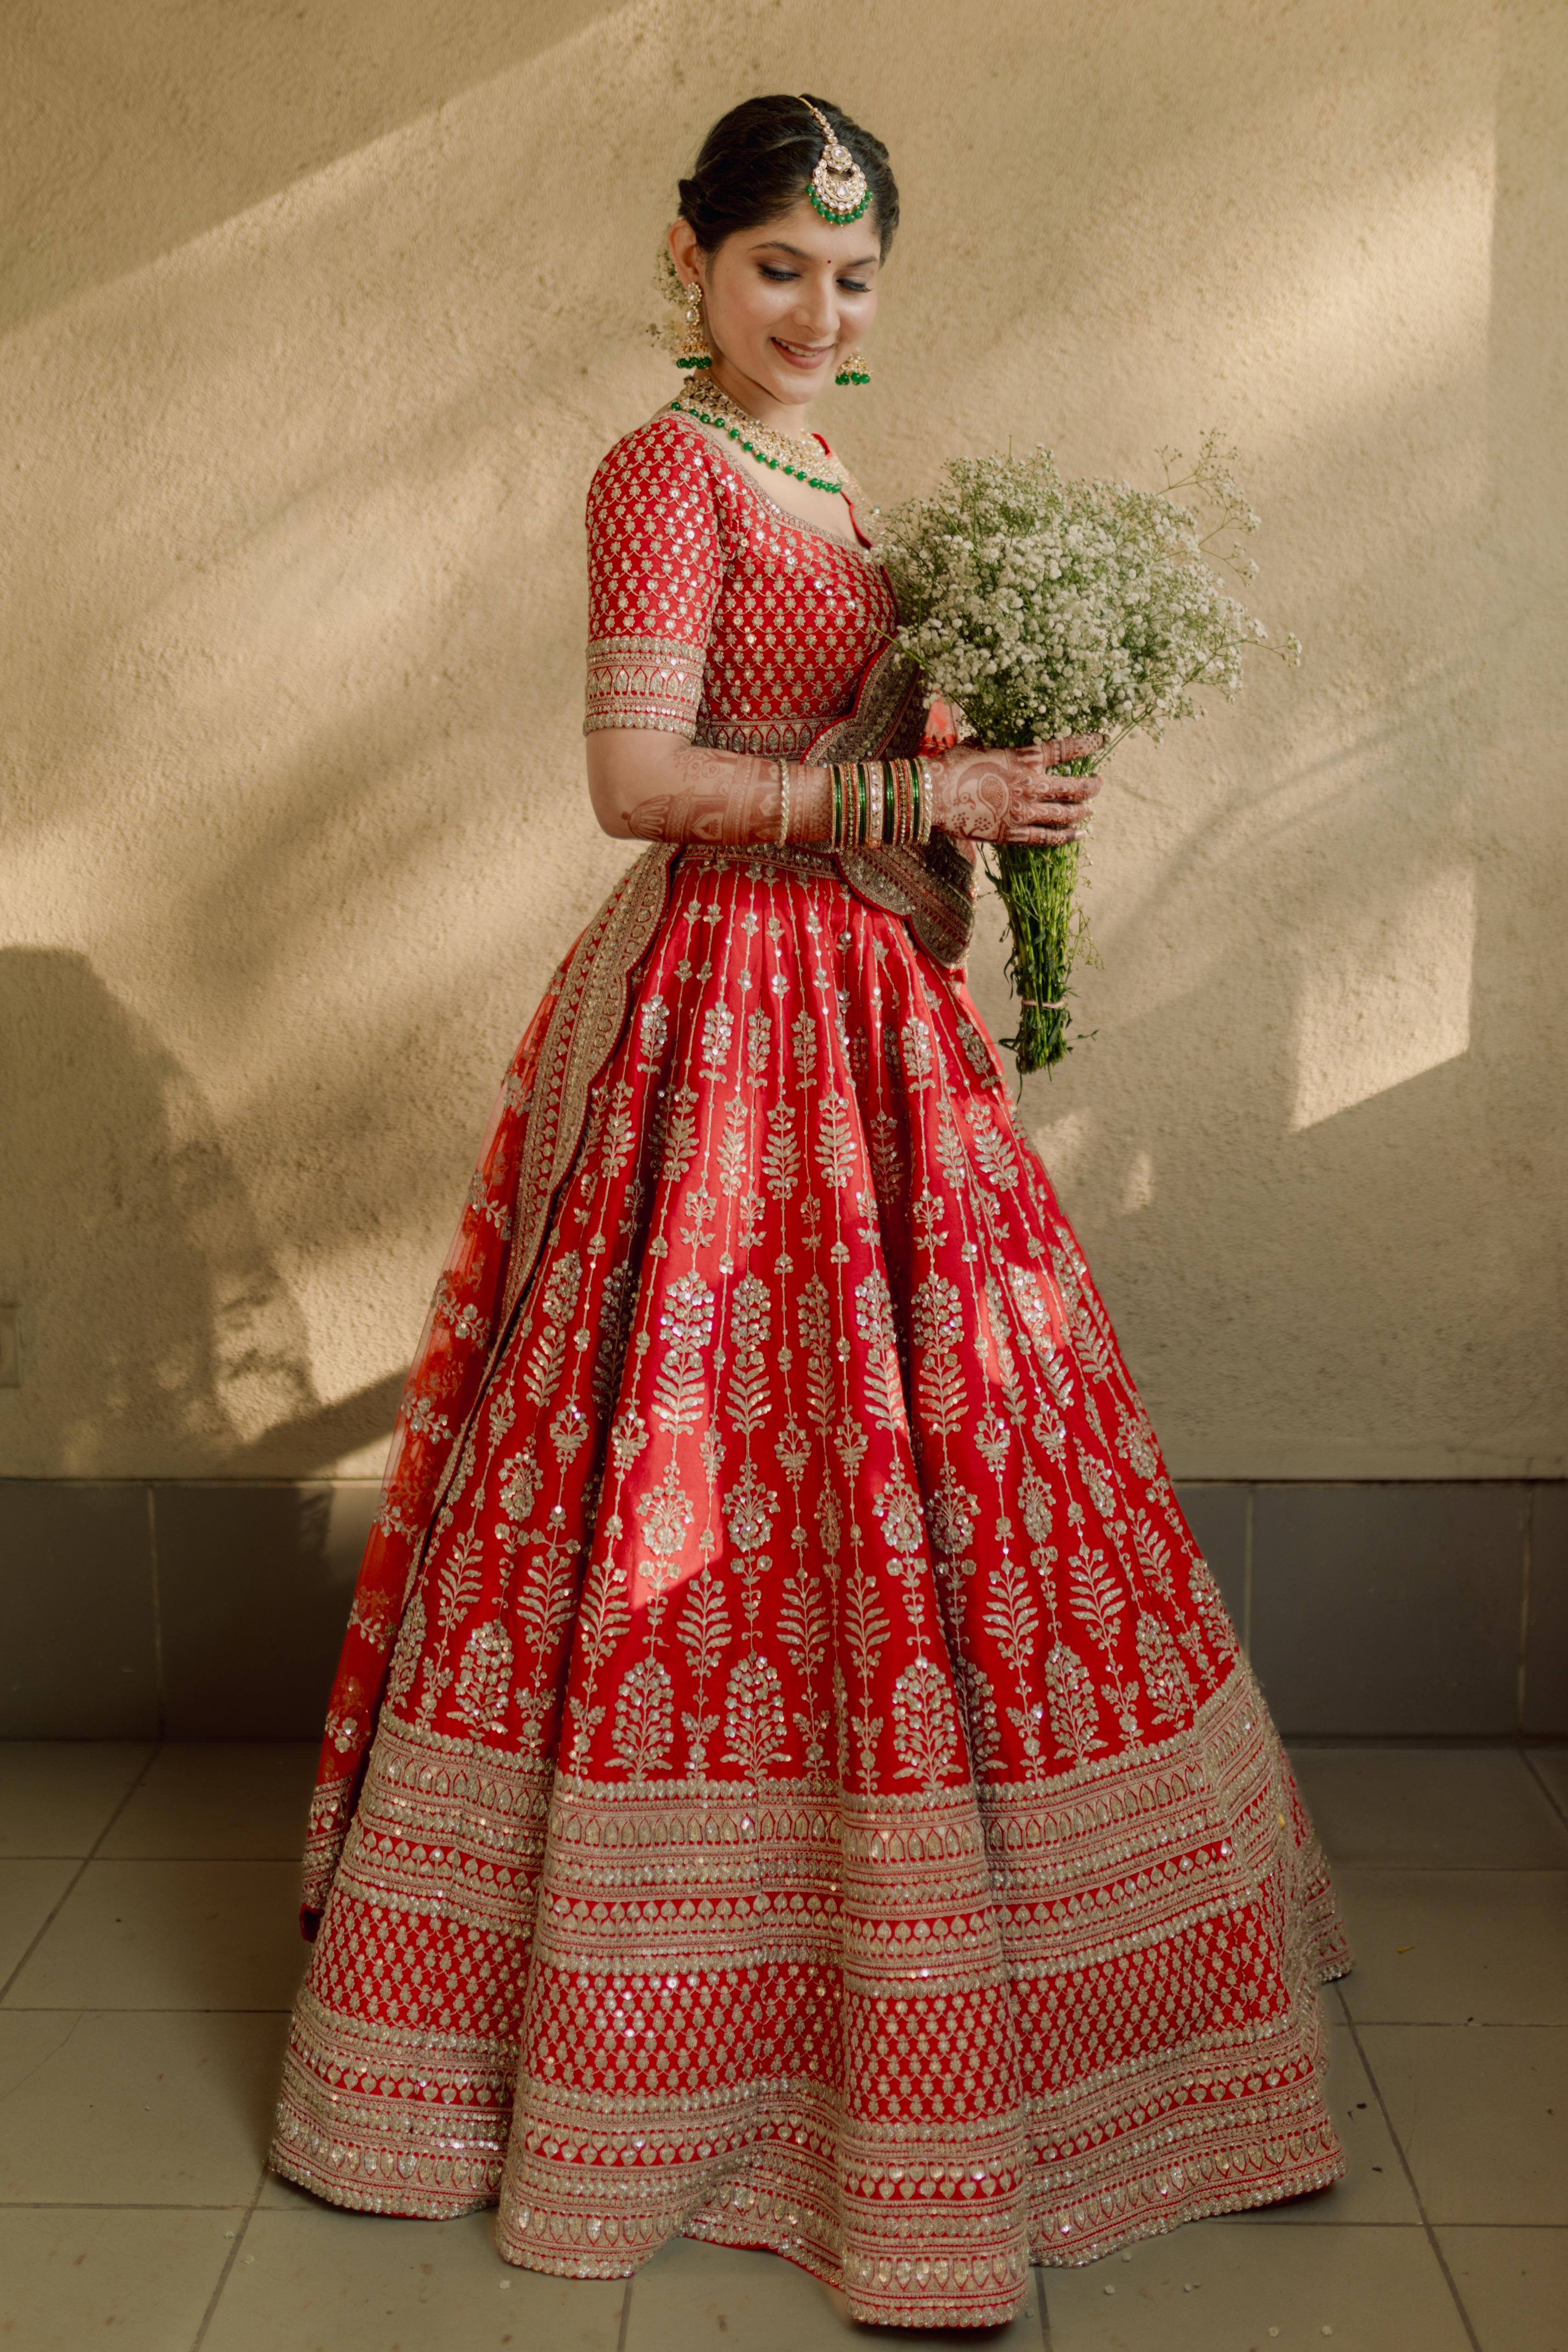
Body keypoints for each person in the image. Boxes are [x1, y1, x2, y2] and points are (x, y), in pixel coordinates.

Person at [271, 92, 1349, 2330]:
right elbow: (634, 779)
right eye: (777, 268)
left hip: (860, 999)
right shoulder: (664, 472)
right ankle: (662, 2039)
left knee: (945, 1454)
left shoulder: (826, 473)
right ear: (685, 261)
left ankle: (996, 2021)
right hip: (725, 1024)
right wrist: (913, 783)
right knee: (711, 1472)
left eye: (850, 282)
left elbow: (824, 737)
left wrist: (983, 759)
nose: (817, 311)